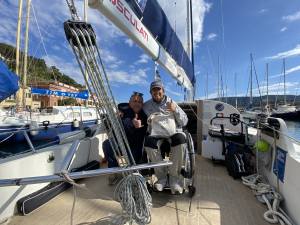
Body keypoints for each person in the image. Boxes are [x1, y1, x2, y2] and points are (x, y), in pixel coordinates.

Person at [143, 81, 188, 194]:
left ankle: (174, 179)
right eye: (154, 90)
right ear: (151, 92)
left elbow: (184, 122)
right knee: (149, 143)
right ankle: (162, 178)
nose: (156, 92)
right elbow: (135, 108)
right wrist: (122, 111)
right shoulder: (146, 105)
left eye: (159, 90)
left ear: (163, 91)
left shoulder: (172, 103)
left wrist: (174, 110)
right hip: (157, 133)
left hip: (174, 132)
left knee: (181, 140)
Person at [103, 92, 147, 186]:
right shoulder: (122, 113)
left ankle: (132, 169)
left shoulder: (145, 115)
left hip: (135, 146)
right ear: (129, 103)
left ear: (142, 104)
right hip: (121, 143)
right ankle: (113, 169)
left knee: (131, 166)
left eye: (139, 102)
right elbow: (116, 132)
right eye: (134, 101)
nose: (137, 103)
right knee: (107, 144)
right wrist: (132, 125)